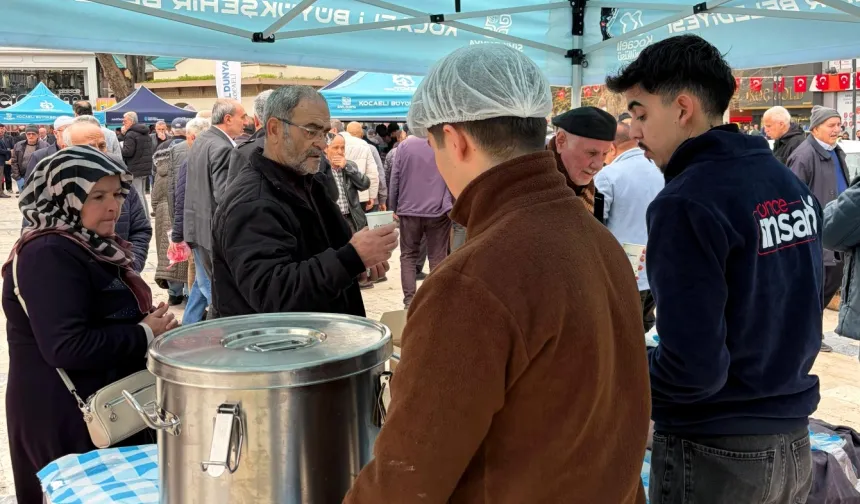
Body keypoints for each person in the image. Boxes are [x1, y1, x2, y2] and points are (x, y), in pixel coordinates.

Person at [345, 44, 650, 504]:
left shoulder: (472, 281)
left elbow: (406, 479)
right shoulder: (597, 239)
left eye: (433, 147)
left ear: (456, 140)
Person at [606, 34, 821, 504]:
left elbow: (692, 369)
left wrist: (616, 375)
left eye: (641, 114)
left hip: (718, 452)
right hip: (792, 445)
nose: (634, 131)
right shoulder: (786, 183)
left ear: (682, 108)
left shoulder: (687, 201)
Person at [2, 146, 177, 504]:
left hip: (103, 407)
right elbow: (65, 346)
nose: (114, 206)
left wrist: (145, 323)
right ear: (63, 196)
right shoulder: (47, 252)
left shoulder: (88, 244)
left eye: (117, 194)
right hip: (65, 414)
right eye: (97, 196)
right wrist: (145, 332)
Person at [211, 86, 397, 317]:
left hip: (320, 333)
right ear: (274, 129)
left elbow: (323, 254)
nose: (322, 143)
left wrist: (357, 265)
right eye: (311, 131)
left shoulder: (308, 182)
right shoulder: (252, 201)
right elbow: (273, 294)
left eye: (325, 133)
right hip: (279, 339)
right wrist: (352, 258)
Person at [787, 105, 849, 354]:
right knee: (816, 286)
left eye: (839, 125)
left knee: (832, 280)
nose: (837, 130)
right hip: (816, 233)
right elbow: (792, 198)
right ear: (815, 129)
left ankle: (807, 330)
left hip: (838, 230)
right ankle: (808, 333)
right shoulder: (804, 156)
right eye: (831, 125)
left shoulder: (837, 151)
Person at [53, 119, 152, 273]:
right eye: (90, 147)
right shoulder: (51, 190)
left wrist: (131, 266)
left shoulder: (121, 182)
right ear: (66, 149)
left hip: (119, 278)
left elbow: (140, 229)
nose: (98, 152)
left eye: (102, 146)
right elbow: (38, 242)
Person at [594, 121, 664, 332]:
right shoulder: (660, 170)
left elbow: (596, 225)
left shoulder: (608, 175)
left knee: (622, 333)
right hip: (656, 270)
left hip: (622, 274)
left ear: (612, 148)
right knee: (643, 327)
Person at [184, 98, 247, 288]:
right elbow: (224, 196)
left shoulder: (202, 140)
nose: (246, 122)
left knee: (211, 287)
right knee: (221, 291)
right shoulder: (223, 147)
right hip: (213, 233)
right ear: (228, 119)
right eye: (243, 117)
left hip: (198, 229)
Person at [389, 133, 453, 308]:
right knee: (438, 256)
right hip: (438, 209)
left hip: (409, 208)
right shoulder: (443, 142)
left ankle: (409, 301)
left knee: (408, 255)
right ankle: (437, 300)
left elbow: (395, 176)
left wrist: (393, 205)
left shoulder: (404, 146)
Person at [171, 117, 211, 324]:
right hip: (200, 231)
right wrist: (178, 234)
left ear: (192, 137)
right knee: (204, 282)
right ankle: (215, 321)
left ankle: (189, 323)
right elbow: (182, 199)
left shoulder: (195, 159)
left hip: (198, 231)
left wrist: (178, 234)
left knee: (202, 281)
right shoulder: (197, 158)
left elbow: (180, 199)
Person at [548, 107, 617, 222]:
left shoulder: (595, 197)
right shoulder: (531, 190)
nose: (599, 166)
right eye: (591, 153)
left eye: (605, 154)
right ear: (561, 141)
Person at [152, 117, 192, 305]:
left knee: (168, 252)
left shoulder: (161, 152)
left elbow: (156, 191)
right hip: (181, 206)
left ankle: (173, 293)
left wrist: (155, 208)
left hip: (162, 209)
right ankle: (188, 293)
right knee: (186, 254)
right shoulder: (190, 150)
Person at [326, 134, 371, 231]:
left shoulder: (350, 165)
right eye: (335, 148)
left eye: (342, 148)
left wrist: (347, 167)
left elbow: (365, 185)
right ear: (326, 149)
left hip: (350, 219)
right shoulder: (322, 168)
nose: (340, 151)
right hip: (331, 220)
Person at [335, 120, 380, 213]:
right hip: (361, 194)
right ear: (361, 133)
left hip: (341, 194)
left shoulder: (335, 143)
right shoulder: (364, 145)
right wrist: (372, 196)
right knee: (359, 220)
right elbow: (372, 173)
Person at [228, 89, 272, 182]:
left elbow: (234, 190)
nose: (245, 122)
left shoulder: (243, 151)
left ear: (255, 120)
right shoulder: (298, 145)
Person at [25, 117, 74, 192]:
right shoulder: (39, 156)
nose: (71, 134)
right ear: (55, 133)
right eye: (67, 130)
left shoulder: (83, 154)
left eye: (74, 131)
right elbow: (29, 188)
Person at [346, 121, 387, 212]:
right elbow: (376, 174)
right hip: (365, 196)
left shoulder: (339, 146)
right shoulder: (370, 148)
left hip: (346, 197)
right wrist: (378, 197)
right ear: (361, 134)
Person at [120, 112, 154, 215]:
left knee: (138, 195)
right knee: (142, 194)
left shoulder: (130, 134)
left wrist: (120, 148)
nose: (123, 122)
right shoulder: (144, 132)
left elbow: (128, 152)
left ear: (131, 121)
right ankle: (147, 218)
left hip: (135, 169)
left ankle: (143, 218)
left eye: (125, 121)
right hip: (145, 168)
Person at [11, 126, 48, 196]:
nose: (31, 136)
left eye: (33, 134)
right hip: (22, 177)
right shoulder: (18, 145)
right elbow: (14, 162)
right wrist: (18, 178)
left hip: (39, 178)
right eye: (28, 134)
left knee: (38, 198)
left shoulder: (45, 146)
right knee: (24, 199)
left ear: (38, 135)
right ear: (26, 135)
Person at [0, 124, 14, 197]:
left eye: (3, 128)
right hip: (1, 160)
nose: (1, 130)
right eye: (0, 128)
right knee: (1, 177)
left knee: (7, 174)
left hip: (7, 159)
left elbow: (12, 147)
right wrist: (9, 151)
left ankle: (8, 188)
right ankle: (1, 191)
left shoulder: (9, 137)